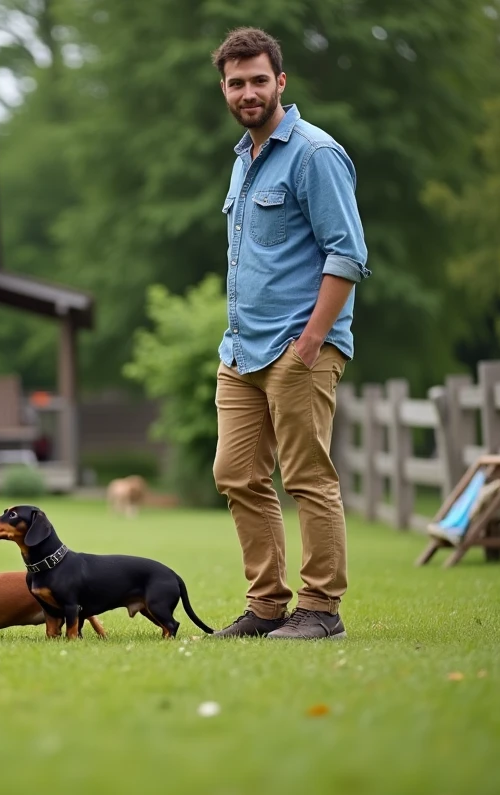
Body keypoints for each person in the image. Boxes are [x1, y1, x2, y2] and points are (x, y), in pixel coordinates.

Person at [208, 27, 369, 640]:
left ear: (280, 81)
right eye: (235, 82)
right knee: (235, 472)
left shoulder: (313, 153)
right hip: (240, 350)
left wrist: (311, 342)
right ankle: (267, 606)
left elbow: (346, 255)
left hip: (299, 347)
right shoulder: (244, 160)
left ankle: (322, 609)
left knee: (307, 478)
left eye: (257, 80)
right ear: (224, 89)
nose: (247, 92)